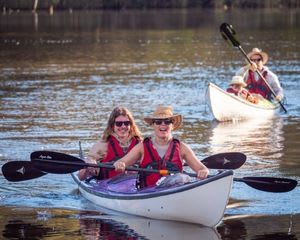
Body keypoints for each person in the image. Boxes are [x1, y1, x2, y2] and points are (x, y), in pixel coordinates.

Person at [113, 105, 209, 188]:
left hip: (173, 191)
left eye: (167, 121)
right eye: (158, 122)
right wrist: (120, 164)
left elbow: (202, 168)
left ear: (172, 125)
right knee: (182, 177)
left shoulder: (182, 148)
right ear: (153, 125)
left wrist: (203, 172)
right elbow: (122, 162)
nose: (163, 124)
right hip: (146, 193)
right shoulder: (142, 147)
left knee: (183, 178)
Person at [78, 107, 142, 181]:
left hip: (136, 185)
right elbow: (81, 177)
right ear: (112, 126)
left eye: (126, 123)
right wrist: (88, 164)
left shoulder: (140, 145)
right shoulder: (102, 145)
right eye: (119, 124)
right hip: (110, 185)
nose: (123, 126)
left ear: (131, 125)